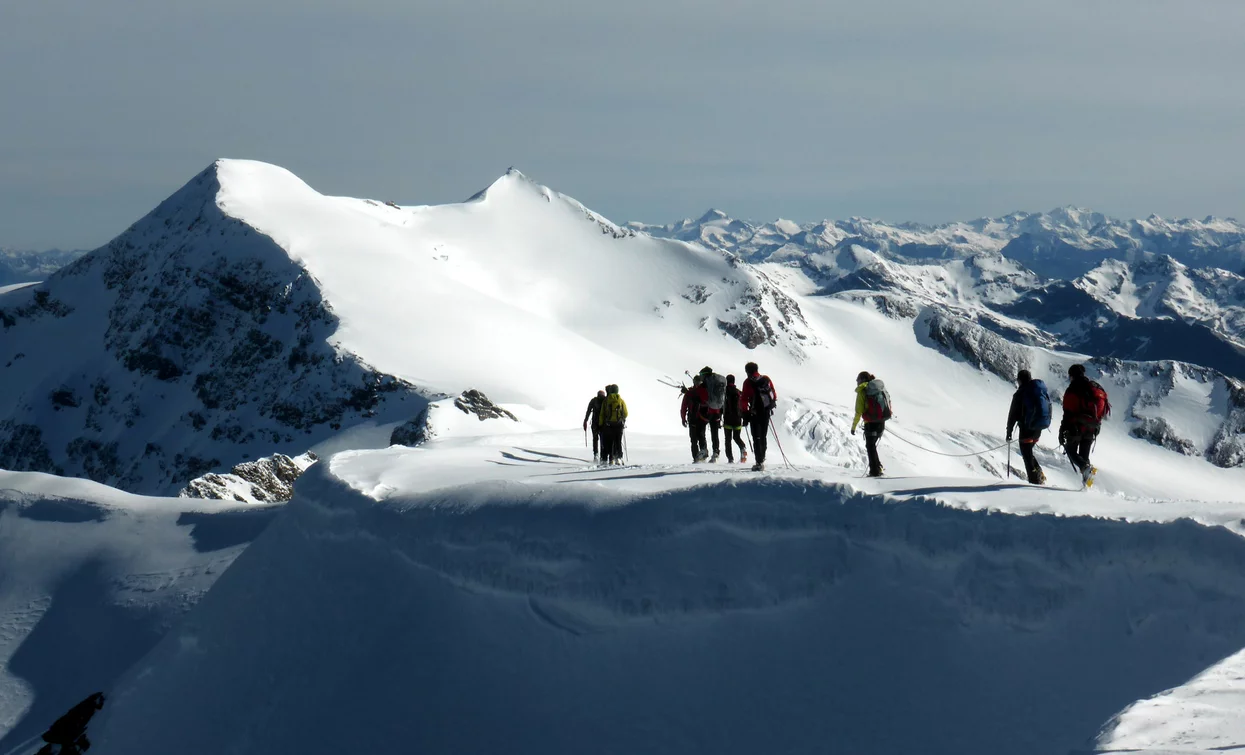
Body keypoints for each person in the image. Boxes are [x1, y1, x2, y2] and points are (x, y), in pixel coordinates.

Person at [1059, 364, 1111, 487]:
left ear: (1072, 375)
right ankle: (1086, 485)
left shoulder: (1073, 389)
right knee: (1084, 456)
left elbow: (1067, 412)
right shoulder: (1094, 387)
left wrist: (1062, 431)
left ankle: (1085, 469)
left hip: (1076, 427)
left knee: (1070, 450)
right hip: (1092, 428)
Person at [1006, 369, 1051, 485]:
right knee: (1028, 452)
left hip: (1026, 428)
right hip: (1038, 428)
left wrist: (1009, 431)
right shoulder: (1038, 390)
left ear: (1020, 380)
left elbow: (1013, 414)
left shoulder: (1020, 394)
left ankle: (1035, 482)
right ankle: (1039, 474)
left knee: (1026, 455)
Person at [851, 371, 892, 477]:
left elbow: (859, 411)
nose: (857, 381)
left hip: (870, 422)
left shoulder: (863, 391)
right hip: (881, 421)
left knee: (870, 446)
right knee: (872, 446)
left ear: (862, 379)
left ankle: (874, 471)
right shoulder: (878, 388)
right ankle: (878, 467)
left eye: (858, 379)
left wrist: (853, 427)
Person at [36, 692, 105, 755]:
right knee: (69, 724)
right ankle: (92, 703)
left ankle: (92, 703)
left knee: (68, 724)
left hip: (62, 736)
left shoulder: (56, 733)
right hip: (67, 737)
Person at [739, 362, 777, 471]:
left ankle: (759, 462)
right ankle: (762, 457)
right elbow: (774, 394)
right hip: (766, 412)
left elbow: (744, 399)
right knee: (763, 435)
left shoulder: (747, 382)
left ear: (747, 371)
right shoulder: (765, 379)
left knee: (756, 437)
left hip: (754, 413)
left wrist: (745, 413)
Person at [697, 366, 727, 462]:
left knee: (700, 430)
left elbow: (701, 397)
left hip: (706, 411)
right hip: (717, 411)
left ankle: (703, 450)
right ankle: (716, 452)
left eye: (701, 374)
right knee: (714, 433)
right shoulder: (717, 382)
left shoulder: (704, 385)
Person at [597, 384, 628, 466]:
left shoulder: (606, 400)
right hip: (619, 425)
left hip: (609, 425)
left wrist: (600, 424)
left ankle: (611, 458)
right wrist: (622, 419)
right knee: (618, 441)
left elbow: (602, 414)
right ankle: (619, 457)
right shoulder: (621, 400)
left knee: (610, 442)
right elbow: (626, 413)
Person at [681, 375, 710, 462]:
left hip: (693, 418)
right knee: (701, 437)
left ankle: (696, 458)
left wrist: (683, 418)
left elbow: (684, 407)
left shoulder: (690, 392)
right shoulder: (704, 391)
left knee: (694, 439)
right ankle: (703, 455)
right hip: (702, 418)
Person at [722, 374, 748, 463]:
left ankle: (730, 458)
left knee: (727, 439)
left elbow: (722, 406)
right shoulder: (738, 392)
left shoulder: (724, 392)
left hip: (727, 419)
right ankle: (743, 448)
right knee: (736, 437)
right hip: (738, 419)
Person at [583, 389, 606, 462]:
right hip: (603, 423)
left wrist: (585, 420)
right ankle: (603, 455)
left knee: (595, 439)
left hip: (595, 423)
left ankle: (596, 454)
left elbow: (588, 410)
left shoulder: (594, 400)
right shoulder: (605, 400)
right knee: (603, 439)